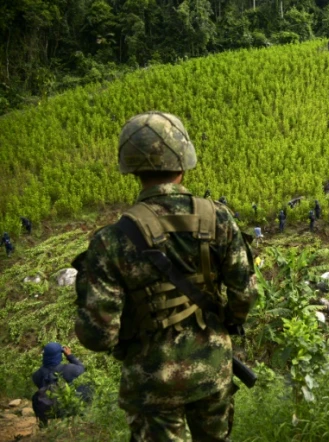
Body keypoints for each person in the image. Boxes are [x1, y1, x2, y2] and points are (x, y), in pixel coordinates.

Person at [73, 112, 257, 441]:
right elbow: (244, 293)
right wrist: (226, 321)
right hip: (212, 371)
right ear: (183, 162)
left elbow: (97, 337)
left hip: (150, 382)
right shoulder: (219, 219)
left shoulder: (110, 240)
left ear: (132, 169)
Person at [32, 342, 88, 426]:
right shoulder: (69, 369)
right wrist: (70, 356)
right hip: (66, 409)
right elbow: (82, 368)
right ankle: (83, 416)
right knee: (86, 386)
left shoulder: (36, 375)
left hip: (47, 411)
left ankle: (43, 425)